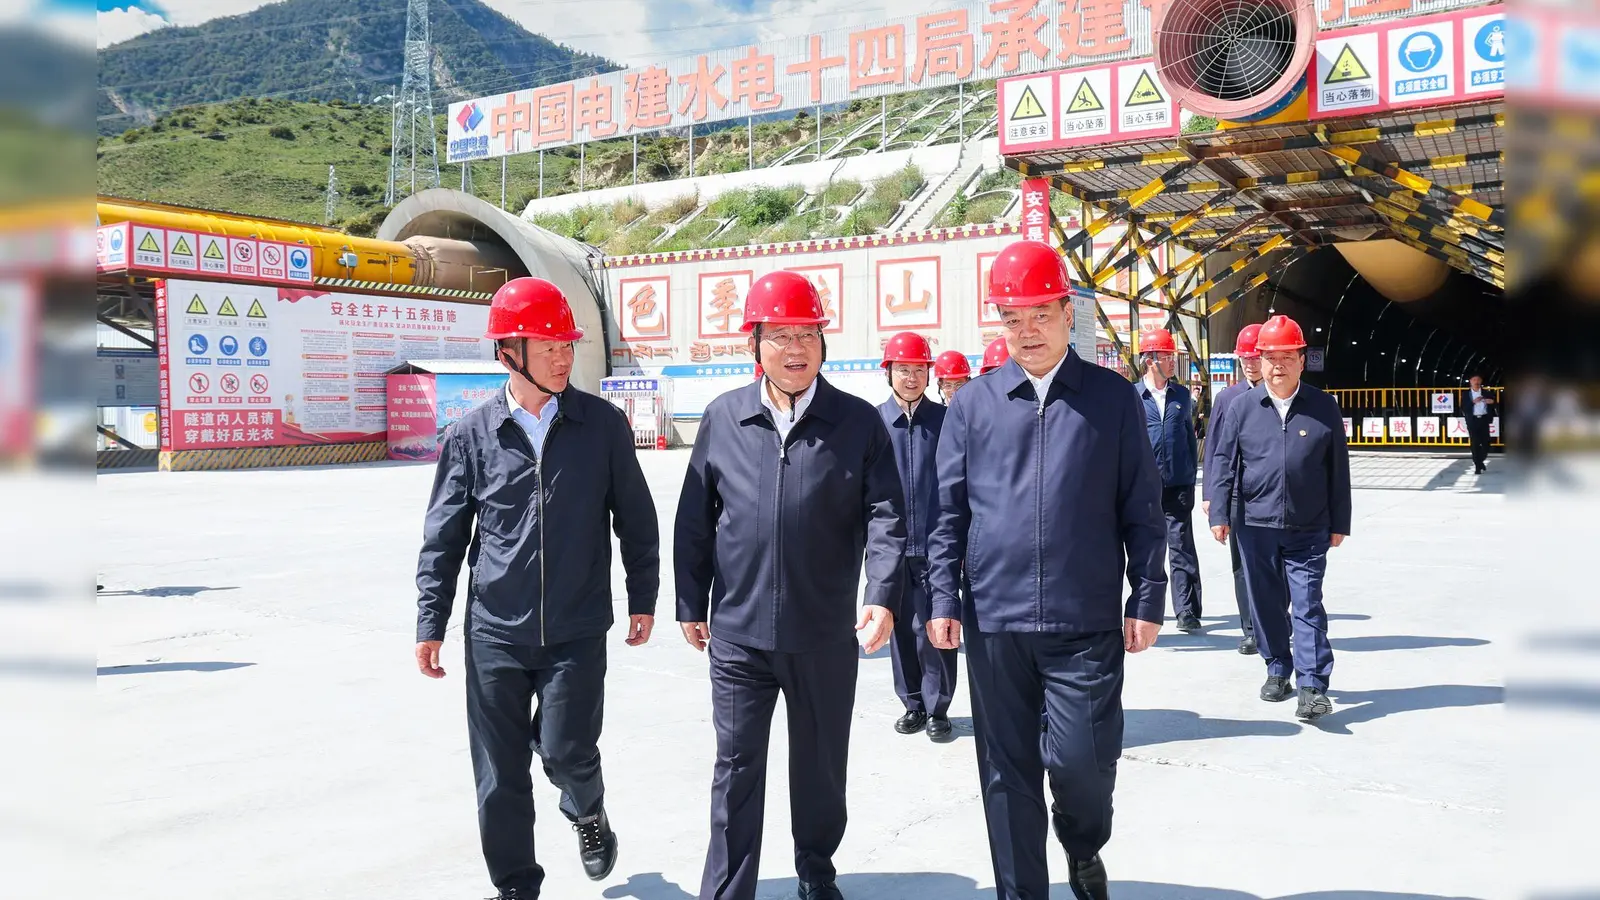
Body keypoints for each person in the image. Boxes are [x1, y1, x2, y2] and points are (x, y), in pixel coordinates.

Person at [926, 239, 1167, 900]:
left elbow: (1142, 507)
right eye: (1012, 317)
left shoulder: (1112, 401)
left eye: (1040, 314)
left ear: (1068, 314)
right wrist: (943, 597)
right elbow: (946, 512)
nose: (1026, 330)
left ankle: (1084, 841)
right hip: (995, 621)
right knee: (1005, 774)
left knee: (1082, 763)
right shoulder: (973, 406)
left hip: (1084, 619)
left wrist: (1147, 595)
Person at [413, 277, 660, 900]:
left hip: (576, 629)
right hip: (494, 632)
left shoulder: (600, 424)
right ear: (509, 352)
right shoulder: (471, 435)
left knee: (566, 750)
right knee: (498, 774)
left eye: (567, 344)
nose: (563, 355)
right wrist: (431, 622)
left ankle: (587, 809)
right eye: (548, 343)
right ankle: (517, 886)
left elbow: (636, 517)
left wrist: (643, 597)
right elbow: (443, 537)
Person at [674, 269, 907, 900]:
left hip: (824, 633)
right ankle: (726, 891)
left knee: (821, 770)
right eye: (780, 334)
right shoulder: (724, 418)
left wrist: (880, 593)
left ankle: (816, 871)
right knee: (736, 769)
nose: (795, 347)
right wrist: (690, 600)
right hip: (739, 635)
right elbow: (695, 517)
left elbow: (887, 516)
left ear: (824, 343)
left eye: (808, 333)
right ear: (756, 344)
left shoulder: (857, 423)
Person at [1208, 314, 1352, 722]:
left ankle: (1312, 686)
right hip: (1254, 525)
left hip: (1309, 526)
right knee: (1266, 605)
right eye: (1270, 356)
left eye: (1287, 356)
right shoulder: (1241, 408)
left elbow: (1338, 468)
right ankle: (1277, 668)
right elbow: (1222, 462)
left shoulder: (1323, 407)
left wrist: (1340, 520)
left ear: (1302, 360)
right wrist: (1219, 511)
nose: (1277, 365)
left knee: (1307, 604)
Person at [878, 332, 959, 742]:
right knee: (899, 629)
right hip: (891, 547)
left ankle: (938, 707)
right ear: (888, 372)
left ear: (930, 374)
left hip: (936, 545)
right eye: (903, 369)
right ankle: (912, 702)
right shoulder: (874, 423)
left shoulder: (945, 423)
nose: (911, 377)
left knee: (936, 626)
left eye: (919, 369)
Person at [1135, 328, 1203, 633]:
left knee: (1181, 548)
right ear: (1149, 360)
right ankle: (1147, 611)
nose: (1171, 362)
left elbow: (1189, 439)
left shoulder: (1181, 396)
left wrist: (1190, 476)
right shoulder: (1134, 397)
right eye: (1165, 356)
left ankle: (1187, 611)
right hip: (1144, 489)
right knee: (1148, 552)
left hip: (1178, 486)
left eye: (1172, 356)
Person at [1202, 323, 1264, 655]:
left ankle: (1274, 621)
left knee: (1275, 564)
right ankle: (1251, 629)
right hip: (1239, 495)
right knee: (1241, 566)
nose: (1250, 364)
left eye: (1255, 357)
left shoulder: (1278, 394)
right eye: (1245, 358)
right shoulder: (1228, 398)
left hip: (1270, 495)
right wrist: (1212, 495)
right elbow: (1215, 451)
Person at [1465, 374, 1496, 474]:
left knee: (1486, 443)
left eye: (1478, 379)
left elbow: (1495, 403)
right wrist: (1473, 402)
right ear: (1470, 381)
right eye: (1474, 379)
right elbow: (1464, 408)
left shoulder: (1487, 392)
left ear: (1481, 381)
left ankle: (1480, 461)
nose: (1476, 382)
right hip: (1473, 420)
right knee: (1475, 444)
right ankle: (1478, 466)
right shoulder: (1466, 394)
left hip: (1484, 420)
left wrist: (1491, 402)